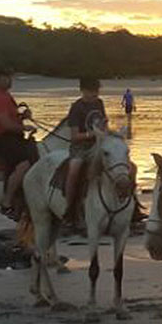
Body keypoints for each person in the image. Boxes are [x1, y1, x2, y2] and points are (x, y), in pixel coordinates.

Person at [0, 66, 38, 216]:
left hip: (10, 137)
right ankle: (7, 201)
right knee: (24, 163)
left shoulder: (4, 94)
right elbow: (6, 124)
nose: (9, 80)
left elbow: (11, 118)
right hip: (1, 139)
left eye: (9, 77)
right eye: (5, 77)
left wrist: (22, 117)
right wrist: (24, 128)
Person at [64, 76, 108, 221]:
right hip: (81, 147)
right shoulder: (76, 108)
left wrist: (108, 132)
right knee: (74, 169)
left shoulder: (99, 103)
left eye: (96, 90)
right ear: (82, 90)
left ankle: (131, 206)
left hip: (99, 144)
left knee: (124, 165)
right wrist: (92, 134)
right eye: (91, 91)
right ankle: (69, 207)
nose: (95, 94)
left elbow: (103, 124)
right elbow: (74, 136)